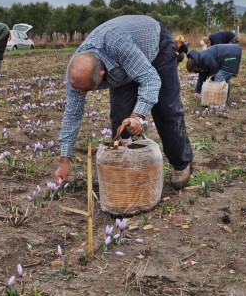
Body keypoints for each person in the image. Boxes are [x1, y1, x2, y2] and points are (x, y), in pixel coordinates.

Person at [55, 15, 194, 190]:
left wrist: (137, 115)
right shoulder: (76, 72)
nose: (81, 93)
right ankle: (127, 169)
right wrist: (64, 160)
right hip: (122, 64)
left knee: (166, 109)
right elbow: (72, 115)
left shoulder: (118, 46)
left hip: (155, 47)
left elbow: (151, 79)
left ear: (101, 75)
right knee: (120, 115)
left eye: (87, 89)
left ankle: (181, 164)